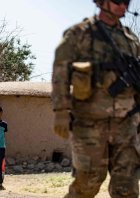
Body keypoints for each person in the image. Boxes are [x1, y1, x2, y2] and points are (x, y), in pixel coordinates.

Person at [52, 0, 140, 197]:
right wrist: (61, 111)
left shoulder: (131, 40)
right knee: (87, 184)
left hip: (126, 124)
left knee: (127, 187)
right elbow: (60, 72)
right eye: (118, 0)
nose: (123, 6)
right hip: (90, 122)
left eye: (127, 1)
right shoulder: (79, 34)